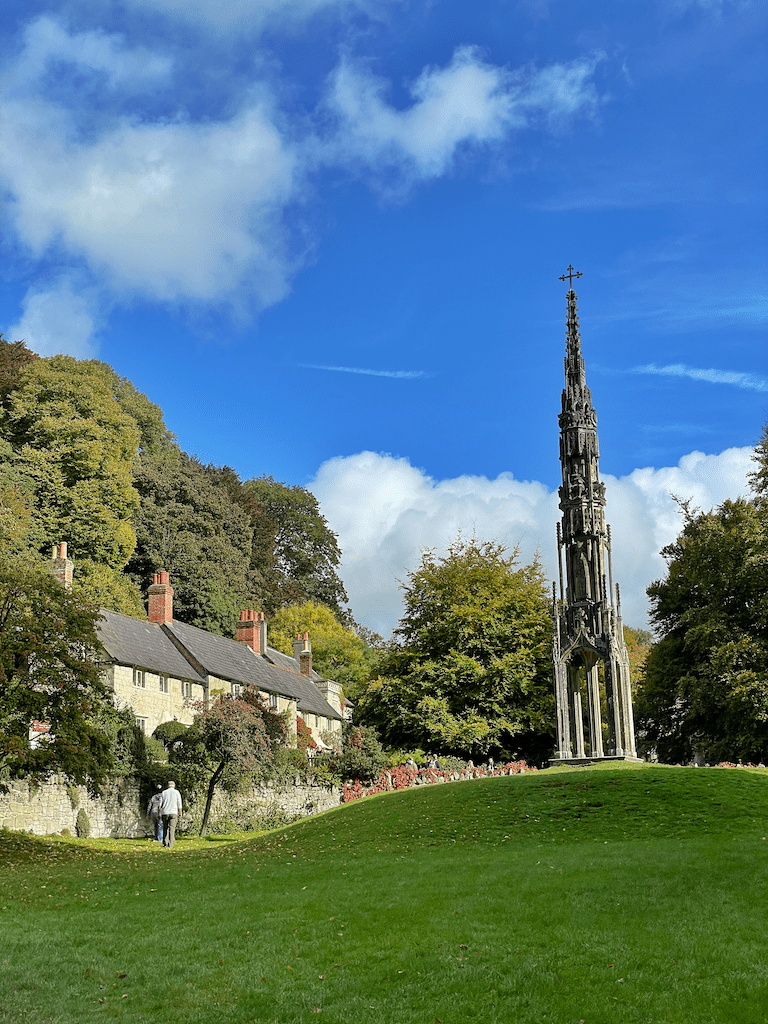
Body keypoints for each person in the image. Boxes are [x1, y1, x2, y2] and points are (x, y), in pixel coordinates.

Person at [159, 780, 183, 848]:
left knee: (165, 828)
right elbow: (179, 803)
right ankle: (171, 844)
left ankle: (165, 843)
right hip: (173, 812)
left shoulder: (164, 792)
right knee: (172, 829)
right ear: (174, 786)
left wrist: (159, 813)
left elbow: (160, 804)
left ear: (168, 786)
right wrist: (180, 812)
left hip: (165, 812)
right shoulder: (176, 792)